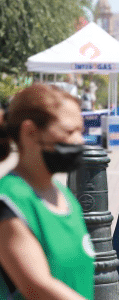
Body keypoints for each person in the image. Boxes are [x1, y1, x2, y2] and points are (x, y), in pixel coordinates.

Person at [0, 84, 95, 299]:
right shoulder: (10, 202)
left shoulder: (64, 195)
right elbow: (38, 287)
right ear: (30, 132)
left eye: (81, 131)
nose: (80, 141)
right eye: (70, 131)